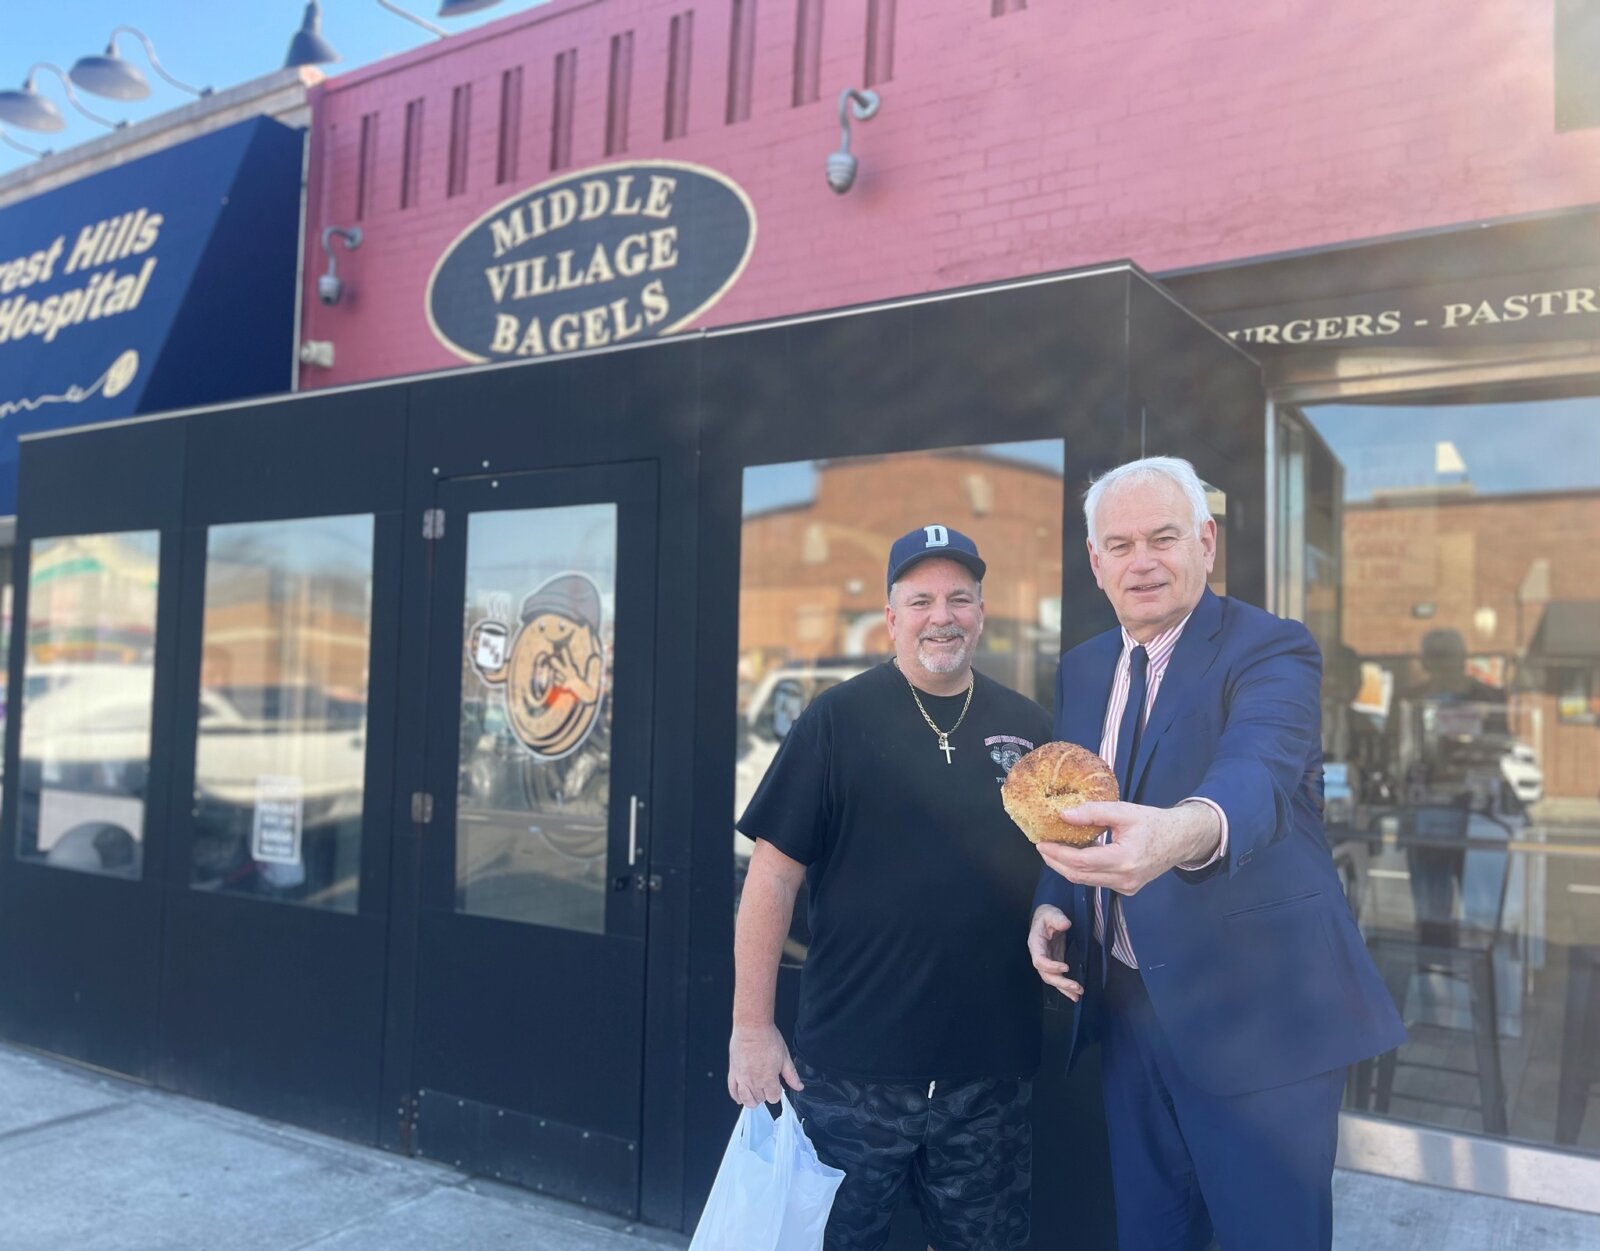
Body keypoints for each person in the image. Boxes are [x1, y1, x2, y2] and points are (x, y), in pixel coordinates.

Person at [1028, 456, 1405, 1251]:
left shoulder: (1272, 650)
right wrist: (1052, 900)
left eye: (1164, 537)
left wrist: (1178, 832)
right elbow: (1075, 812)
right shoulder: (1085, 667)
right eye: (1120, 544)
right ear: (1095, 562)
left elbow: (1256, 776)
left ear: (1206, 541)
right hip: (1130, 1011)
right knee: (1151, 1236)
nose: (1143, 561)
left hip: (1260, 1016)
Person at [731, 524, 1052, 1251]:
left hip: (989, 1073)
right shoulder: (835, 721)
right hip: (851, 1073)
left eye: (959, 598)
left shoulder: (1029, 729)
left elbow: (1063, 869)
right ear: (891, 617)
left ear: (981, 611)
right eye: (921, 599)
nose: (942, 615)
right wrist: (751, 1028)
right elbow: (773, 878)